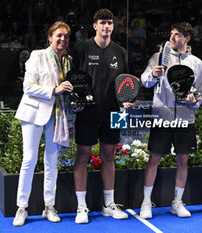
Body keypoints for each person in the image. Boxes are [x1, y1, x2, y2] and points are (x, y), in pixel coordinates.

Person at [72, 8, 133, 224]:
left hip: (114, 112)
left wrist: (127, 100)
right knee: (82, 156)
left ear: (113, 27)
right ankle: (81, 207)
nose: (107, 26)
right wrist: (75, 100)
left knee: (109, 156)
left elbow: (126, 83)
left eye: (110, 23)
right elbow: (74, 79)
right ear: (95, 26)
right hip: (87, 112)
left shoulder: (120, 52)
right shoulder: (82, 49)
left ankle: (109, 205)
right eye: (103, 23)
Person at [139, 22, 202, 219]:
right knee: (154, 159)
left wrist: (194, 102)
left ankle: (177, 203)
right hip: (162, 116)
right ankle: (145, 203)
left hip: (186, 118)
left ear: (187, 38)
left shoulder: (196, 63)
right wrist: (153, 74)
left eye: (177, 35)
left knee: (183, 160)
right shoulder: (158, 58)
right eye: (171, 34)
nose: (173, 38)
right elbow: (144, 80)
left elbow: (200, 93)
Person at [13, 21, 74, 226]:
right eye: (58, 35)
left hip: (57, 116)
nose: (62, 39)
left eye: (66, 36)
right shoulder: (37, 56)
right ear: (50, 37)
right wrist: (53, 91)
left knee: (52, 163)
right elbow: (27, 86)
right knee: (29, 160)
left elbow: (68, 89)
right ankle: (22, 208)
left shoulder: (69, 61)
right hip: (33, 114)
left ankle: (49, 207)